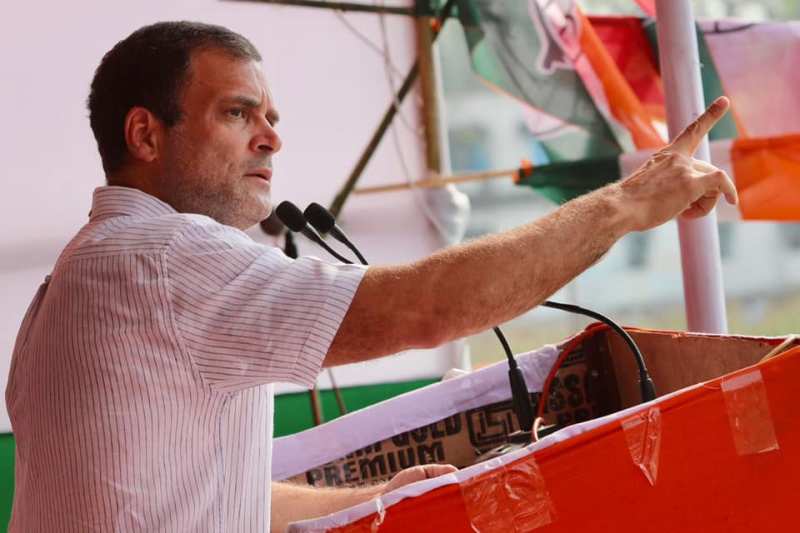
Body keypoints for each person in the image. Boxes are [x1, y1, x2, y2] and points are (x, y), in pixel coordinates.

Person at [4, 20, 737, 533]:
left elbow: (216, 501)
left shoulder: (81, 275)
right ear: (145, 134)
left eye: (270, 115)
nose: (272, 138)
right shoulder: (164, 257)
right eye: (238, 113)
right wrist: (626, 203)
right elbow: (427, 310)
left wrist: (382, 494)